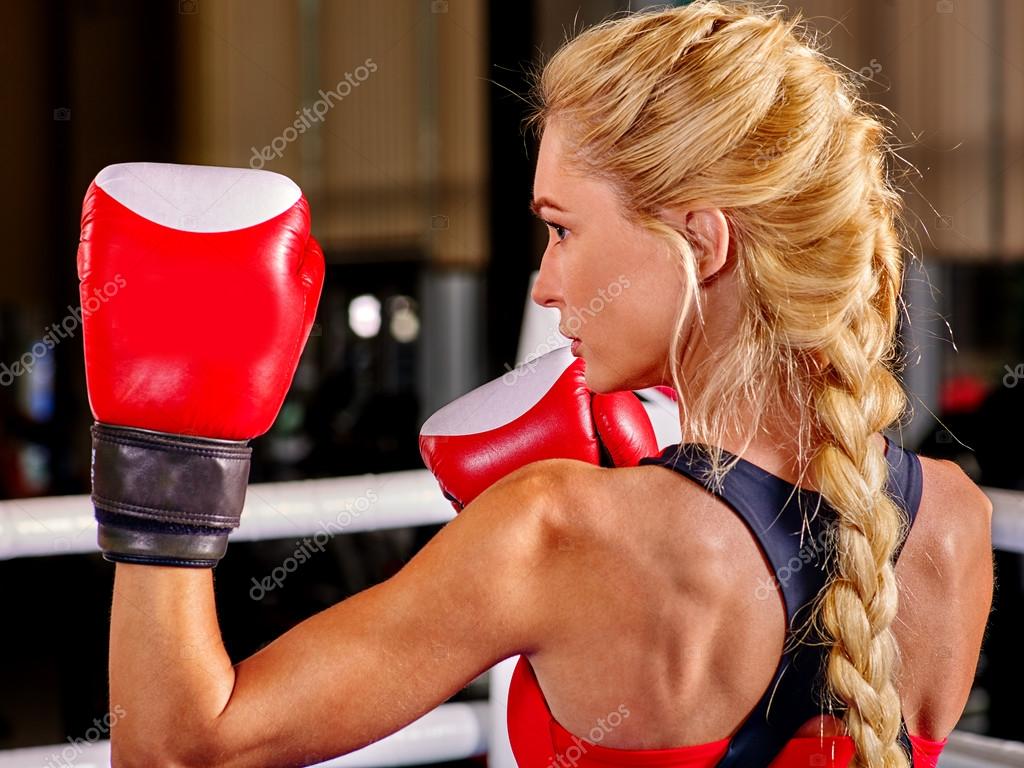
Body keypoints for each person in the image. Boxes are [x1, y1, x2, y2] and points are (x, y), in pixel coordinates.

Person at [90, 4, 992, 768]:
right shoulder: (955, 521)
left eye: (562, 230)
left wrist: (167, 463)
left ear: (703, 245)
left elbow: (179, 746)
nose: (546, 283)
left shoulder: (554, 528)